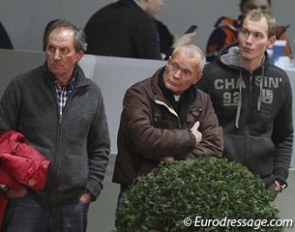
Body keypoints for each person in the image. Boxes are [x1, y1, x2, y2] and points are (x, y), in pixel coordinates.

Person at [0, 19, 110, 232]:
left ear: (79, 55)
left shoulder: (91, 93)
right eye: (51, 49)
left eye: (64, 50)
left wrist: (89, 191)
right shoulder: (22, 86)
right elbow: (1, 137)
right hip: (26, 199)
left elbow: (100, 147)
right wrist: (8, 186)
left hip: (72, 202)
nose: (56, 56)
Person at [112, 44, 224, 218]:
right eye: (174, 66)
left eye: (186, 72)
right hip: (139, 189)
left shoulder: (203, 101)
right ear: (168, 61)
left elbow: (214, 146)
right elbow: (144, 139)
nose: (176, 75)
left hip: (183, 193)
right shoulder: (139, 94)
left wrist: (174, 160)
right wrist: (190, 138)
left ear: (197, 78)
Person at [198, 9, 293, 199]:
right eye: (245, 32)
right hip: (216, 180)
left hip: (263, 184)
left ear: (271, 41)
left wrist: (280, 178)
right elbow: (194, 127)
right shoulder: (211, 74)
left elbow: (285, 135)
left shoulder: (279, 80)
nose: (248, 40)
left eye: (257, 35)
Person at [84, 0, 195, 60]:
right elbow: (155, 70)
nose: (162, 3)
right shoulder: (143, 21)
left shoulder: (105, 12)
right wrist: (177, 47)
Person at [206, 0, 293, 62]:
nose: (258, 12)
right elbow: (211, 67)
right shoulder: (222, 33)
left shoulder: (279, 36)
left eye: (263, 8)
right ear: (241, 8)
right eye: (252, 7)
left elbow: (288, 69)